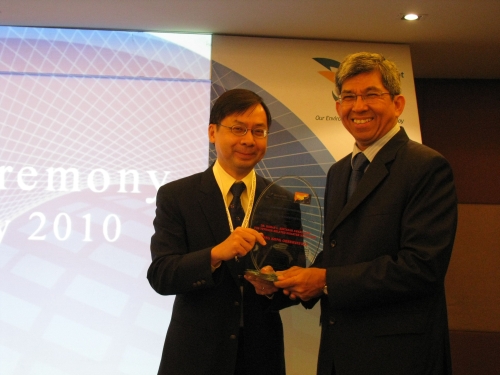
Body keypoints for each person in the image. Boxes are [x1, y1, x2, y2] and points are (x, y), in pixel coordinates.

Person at [274, 52, 458, 375]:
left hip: (398, 357)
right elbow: (338, 253)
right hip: (336, 351)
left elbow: (421, 268)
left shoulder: (426, 167)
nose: (358, 107)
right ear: (337, 108)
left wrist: (325, 280)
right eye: (348, 97)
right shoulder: (339, 172)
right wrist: (289, 280)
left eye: (371, 94)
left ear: (398, 104)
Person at [147, 88, 295, 375]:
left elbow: (293, 273)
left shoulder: (283, 200)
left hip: (261, 357)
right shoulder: (177, 196)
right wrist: (215, 255)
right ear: (212, 132)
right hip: (194, 356)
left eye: (259, 131)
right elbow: (162, 274)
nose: (248, 140)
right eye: (238, 129)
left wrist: (273, 287)